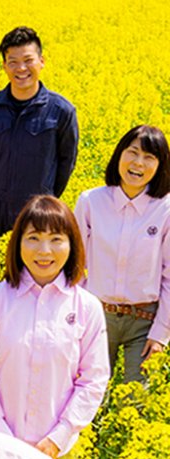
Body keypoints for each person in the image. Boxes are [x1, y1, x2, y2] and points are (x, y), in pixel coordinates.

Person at [0, 195, 109, 459]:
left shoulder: (87, 307)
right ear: (18, 242)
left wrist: (59, 436)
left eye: (56, 239)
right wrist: (2, 435)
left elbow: (93, 380)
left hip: (59, 450)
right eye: (33, 238)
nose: (44, 250)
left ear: (72, 245)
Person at [75, 125, 170, 383]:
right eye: (133, 152)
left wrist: (161, 333)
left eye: (149, 157)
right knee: (87, 396)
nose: (138, 163)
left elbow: (169, 277)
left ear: (160, 166)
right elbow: (73, 264)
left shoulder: (165, 209)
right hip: (96, 316)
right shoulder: (91, 202)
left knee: (135, 403)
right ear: (119, 154)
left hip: (144, 321)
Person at [0, 26, 78, 247]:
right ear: (4, 66)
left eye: (28, 60)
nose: (21, 68)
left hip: (38, 215)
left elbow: (66, 163)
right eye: (12, 62)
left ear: (42, 61)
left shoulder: (62, 111)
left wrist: (44, 196)